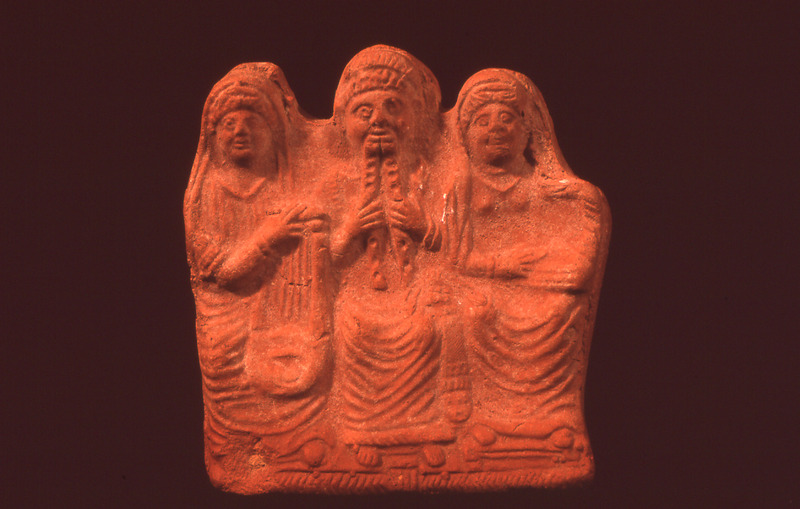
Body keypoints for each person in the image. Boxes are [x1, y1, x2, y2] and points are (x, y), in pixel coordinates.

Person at [445, 69, 611, 461]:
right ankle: (485, 420)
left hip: (535, 288)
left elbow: (571, 250)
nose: (495, 128)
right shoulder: (460, 187)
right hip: (481, 287)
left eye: (508, 118)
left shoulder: (549, 189)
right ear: (464, 136)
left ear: (529, 130)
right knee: (473, 313)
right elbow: (456, 259)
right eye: (482, 121)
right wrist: (503, 266)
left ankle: (553, 419)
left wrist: (552, 269)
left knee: (561, 311)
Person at [184, 63, 333, 482]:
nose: (240, 131)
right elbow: (225, 274)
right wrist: (269, 238)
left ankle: (311, 444)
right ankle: (252, 454)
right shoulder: (206, 196)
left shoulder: (280, 188)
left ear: (274, 134)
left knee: (320, 345)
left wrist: (324, 237)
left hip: (283, 307)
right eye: (228, 124)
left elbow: (314, 257)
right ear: (212, 137)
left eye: (253, 122)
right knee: (226, 350)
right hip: (230, 313)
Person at [320, 46, 466, 468]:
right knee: (352, 326)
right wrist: (348, 231)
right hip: (358, 297)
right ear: (345, 123)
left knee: (427, 326)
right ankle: (363, 431)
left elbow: (457, 249)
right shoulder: (335, 182)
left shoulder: (431, 175)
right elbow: (315, 259)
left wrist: (424, 227)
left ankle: (425, 430)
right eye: (363, 112)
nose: (378, 120)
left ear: (413, 119)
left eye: (392, 107)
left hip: (418, 290)